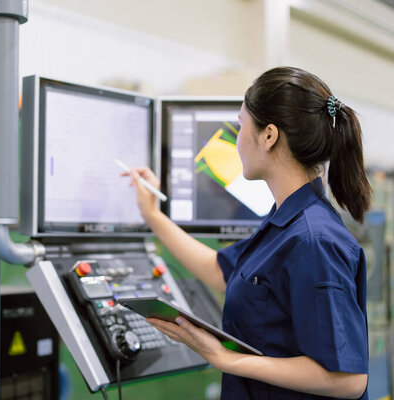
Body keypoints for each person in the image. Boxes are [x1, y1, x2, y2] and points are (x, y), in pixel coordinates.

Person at [124, 67, 370, 399]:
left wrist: (226, 359)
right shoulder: (284, 223)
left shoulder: (313, 240)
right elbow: (220, 270)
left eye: (241, 126)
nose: (236, 139)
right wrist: (152, 215)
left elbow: (348, 379)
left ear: (269, 135)